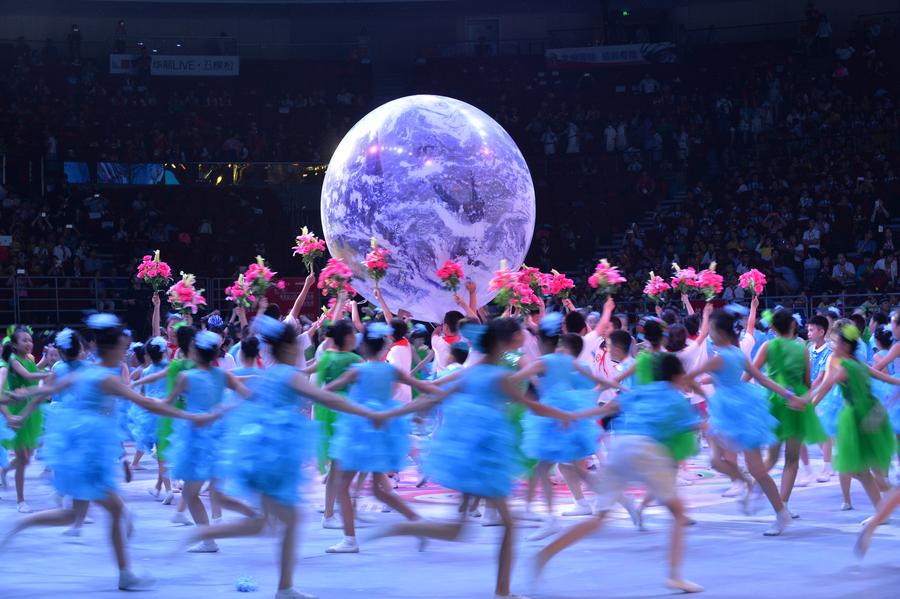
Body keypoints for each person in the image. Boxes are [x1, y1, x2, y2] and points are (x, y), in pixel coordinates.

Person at [2, 314, 221, 591]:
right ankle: (125, 573)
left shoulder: (87, 372)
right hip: (89, 454)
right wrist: (191, 417)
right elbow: (148, 404)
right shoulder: (107, 378)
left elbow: (51, 388)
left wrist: (22, 399)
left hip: (84, 450)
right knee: (113, 511)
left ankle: (21, 525)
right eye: (123, 348)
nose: (125, 353)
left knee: (76, 515)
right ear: (113, 348)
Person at [184, 316, 398, 599]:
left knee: (279, 521)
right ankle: (210, 541)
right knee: (278, 521)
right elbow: (327, 398)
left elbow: (254, 399)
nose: (299, 348)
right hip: (276, 455)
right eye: (296, 344)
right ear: (287, 348)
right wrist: (368, 412)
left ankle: (283, 586)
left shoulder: (274, 372)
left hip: (265, 453)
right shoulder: (288, 374)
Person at [368, 318, 574, 599]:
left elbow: (435, 397)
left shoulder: (474, 371)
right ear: (508, 340)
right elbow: (532, 405)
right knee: (507, 525)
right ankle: (503, 591)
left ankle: (400, 527)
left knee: (459, 530)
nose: (523, 337)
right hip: (486, 455)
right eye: (519, 334)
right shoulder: (499, 376)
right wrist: (565, 415)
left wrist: (390, 413)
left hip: (467, 453)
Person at [534, 353, 703, 594]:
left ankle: (546, 554)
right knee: (678, 513)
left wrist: (571, 416)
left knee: (599, 518)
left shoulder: (641, 391)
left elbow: (608, 408)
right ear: (678, 376)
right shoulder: (677, 399)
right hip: (646, 450)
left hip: (619, 446)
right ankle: (675, 576)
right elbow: (692, 428)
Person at [323, 322, 444, 553]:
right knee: (379, 490)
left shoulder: (359, 370)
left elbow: (328, 389)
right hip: (384, 431)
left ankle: (350, 540)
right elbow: (424, 387)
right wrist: (446, 393)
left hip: (359, 431)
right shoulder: (391, 370)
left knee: (342, 485)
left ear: (364, 346)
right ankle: (419, 522)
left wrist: (339, 399)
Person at [687, 311, 799, 535]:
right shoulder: (736, 353)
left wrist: (704, 393)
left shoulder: (720, 357)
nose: (708, 334)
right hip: (736, 408)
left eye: (711, 330)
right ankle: (747, 484)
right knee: (718, 460)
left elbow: (689, 377)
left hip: (735, 411)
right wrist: (788, 395)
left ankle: (780, 511)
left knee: (754, 468)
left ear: (720, 332)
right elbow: (762, 378)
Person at [807, 322, 898, 524]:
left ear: (846, 346)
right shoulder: (858, 364)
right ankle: (883, 505)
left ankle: (888, 497)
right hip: (870, 413)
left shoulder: (844, 368)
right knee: (863, 467)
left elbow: (823, 387)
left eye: (835, 342)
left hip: (858, 417)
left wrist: (808, 405)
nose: (832, 345)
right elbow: (886, 378)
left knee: (857, 468)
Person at [752, 309, 825, 512]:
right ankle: (783, 506)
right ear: (793, 325)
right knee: (792, 459)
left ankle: (754, 488)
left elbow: (752, 373)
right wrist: (803, 398)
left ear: (772, 327)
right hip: (796, 403)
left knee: (771, 457)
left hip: (773, 402)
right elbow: (807, 382)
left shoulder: (768, 346)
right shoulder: (802, 349)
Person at [2, 327, 53, 512]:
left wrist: (45, 363)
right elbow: (28, 376)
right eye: (24, 340)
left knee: (26, 458)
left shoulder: (29, 360)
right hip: (17, 409)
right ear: (14, 345)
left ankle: (4, 470)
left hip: (32, 410)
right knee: (22, 459)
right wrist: (49, 373)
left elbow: (33, 370)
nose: (29, 343)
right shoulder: (13, 360)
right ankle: (20, 500)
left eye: (30, 340)